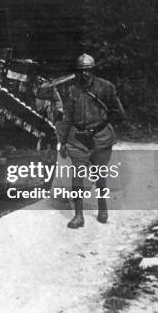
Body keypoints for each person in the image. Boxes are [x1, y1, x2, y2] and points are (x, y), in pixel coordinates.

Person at [59, 53, 125, 229]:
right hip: (78, 139)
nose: (84, 74)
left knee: (100, 176)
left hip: (100, 138)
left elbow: (119, 113)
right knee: (77, 178)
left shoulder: (106, 87)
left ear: (93, 70)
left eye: (87, 70)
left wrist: (102, 123)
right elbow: (67, 117)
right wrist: (63, 141)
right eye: (81, 71)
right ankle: (79, 216)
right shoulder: (71, 90)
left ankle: (102, 207)